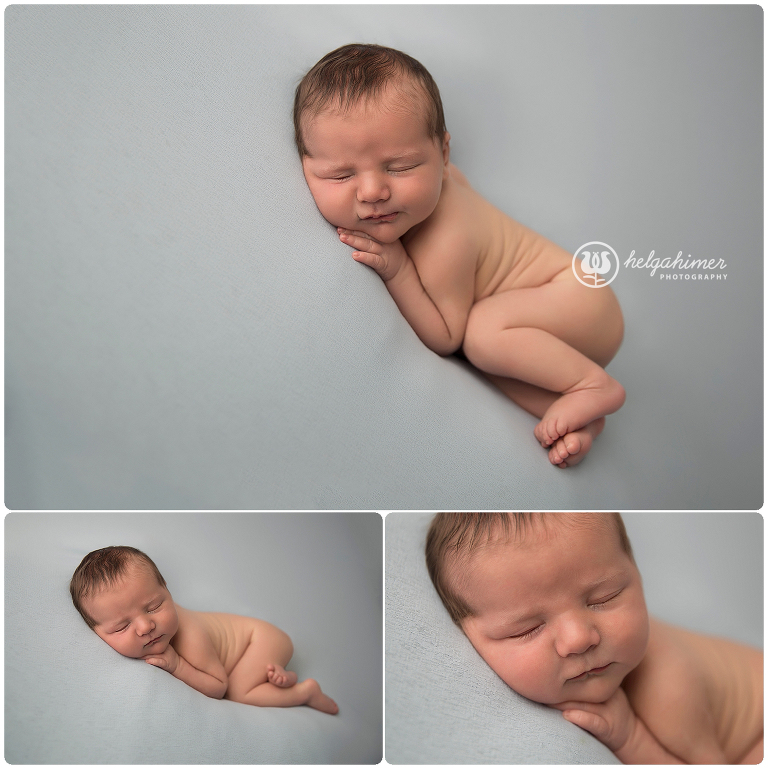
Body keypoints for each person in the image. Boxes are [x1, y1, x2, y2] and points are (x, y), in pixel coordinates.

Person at [294, 44, 625, 467]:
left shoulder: (445, 238)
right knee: (487, 359)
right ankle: (575, 412)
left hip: (580, 300)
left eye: (400, 168)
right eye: (341, 175)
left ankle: (593, 386)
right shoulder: (440, 185)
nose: (373, 191)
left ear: (444, 155)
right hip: (550, 324)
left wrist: (398, 269)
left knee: (480, 336)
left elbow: (446, 337)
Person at [425, 512, 763, 764]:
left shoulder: (668, 692)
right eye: (526, 629)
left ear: (637, 574)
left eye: (604, 598)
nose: (578, 639)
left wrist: (631, 740)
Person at [70, 546, 339, 714]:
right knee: (249, 678)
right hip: (253, 647)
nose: (145, 626)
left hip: (261, 640)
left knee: (240, 692)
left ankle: (305, 692)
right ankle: (280, 677)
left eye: (154, 607)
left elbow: (219, 687)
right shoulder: (147, 624)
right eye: (122, 626)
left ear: (167, 590)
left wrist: (177, 665)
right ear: (97, 632)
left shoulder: (189, 635)